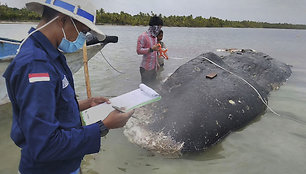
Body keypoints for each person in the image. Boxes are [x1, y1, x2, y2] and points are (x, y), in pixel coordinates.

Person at [2, 0, 133, 174]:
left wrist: (87, 103)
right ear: (63, 20)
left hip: (64, 165)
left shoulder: (50, 55)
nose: (82, 39)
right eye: (83, 32)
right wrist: (104, 126)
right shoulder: (36, 65)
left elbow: (48, 107)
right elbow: (44, 145)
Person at [136, 15, 163, 86]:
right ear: (154, 26)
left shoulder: (155, 37)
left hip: (153, 68)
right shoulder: (143, 36)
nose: (160, 30)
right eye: (159, 27)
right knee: (145, 89)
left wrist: (157, 64)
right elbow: (138, 51)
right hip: (145, 69)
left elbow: (154, 53)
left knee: (153, 87)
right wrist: (151, 49)